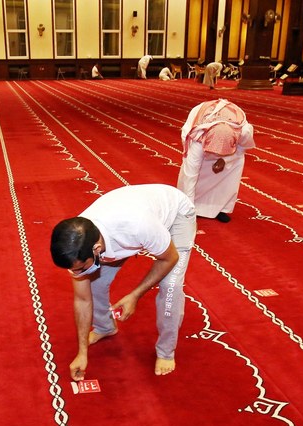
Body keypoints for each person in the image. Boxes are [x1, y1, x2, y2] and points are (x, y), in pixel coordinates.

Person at [50, 184, 196, 380]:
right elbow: (82, 300)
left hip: (176, 214)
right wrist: (82, 352)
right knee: (94, 284)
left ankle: (166, 351)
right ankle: (105, 327)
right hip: (132, 225)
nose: (75, 273)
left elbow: (169, 258)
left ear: (97, 248)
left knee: (171, 287)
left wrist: (135, 295)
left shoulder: (136, 226)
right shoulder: (79, 244)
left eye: (79, 268)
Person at [177, 99, 255, 223]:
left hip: (232, 151)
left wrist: (226, 159)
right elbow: (189, 176)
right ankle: (189, 207)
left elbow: (242, 149)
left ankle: (221, 208)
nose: (216, 155)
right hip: (201, 137)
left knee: (234, 168)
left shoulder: (243, 132)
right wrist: (189, 213)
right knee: (193, 174)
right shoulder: (196, 140)